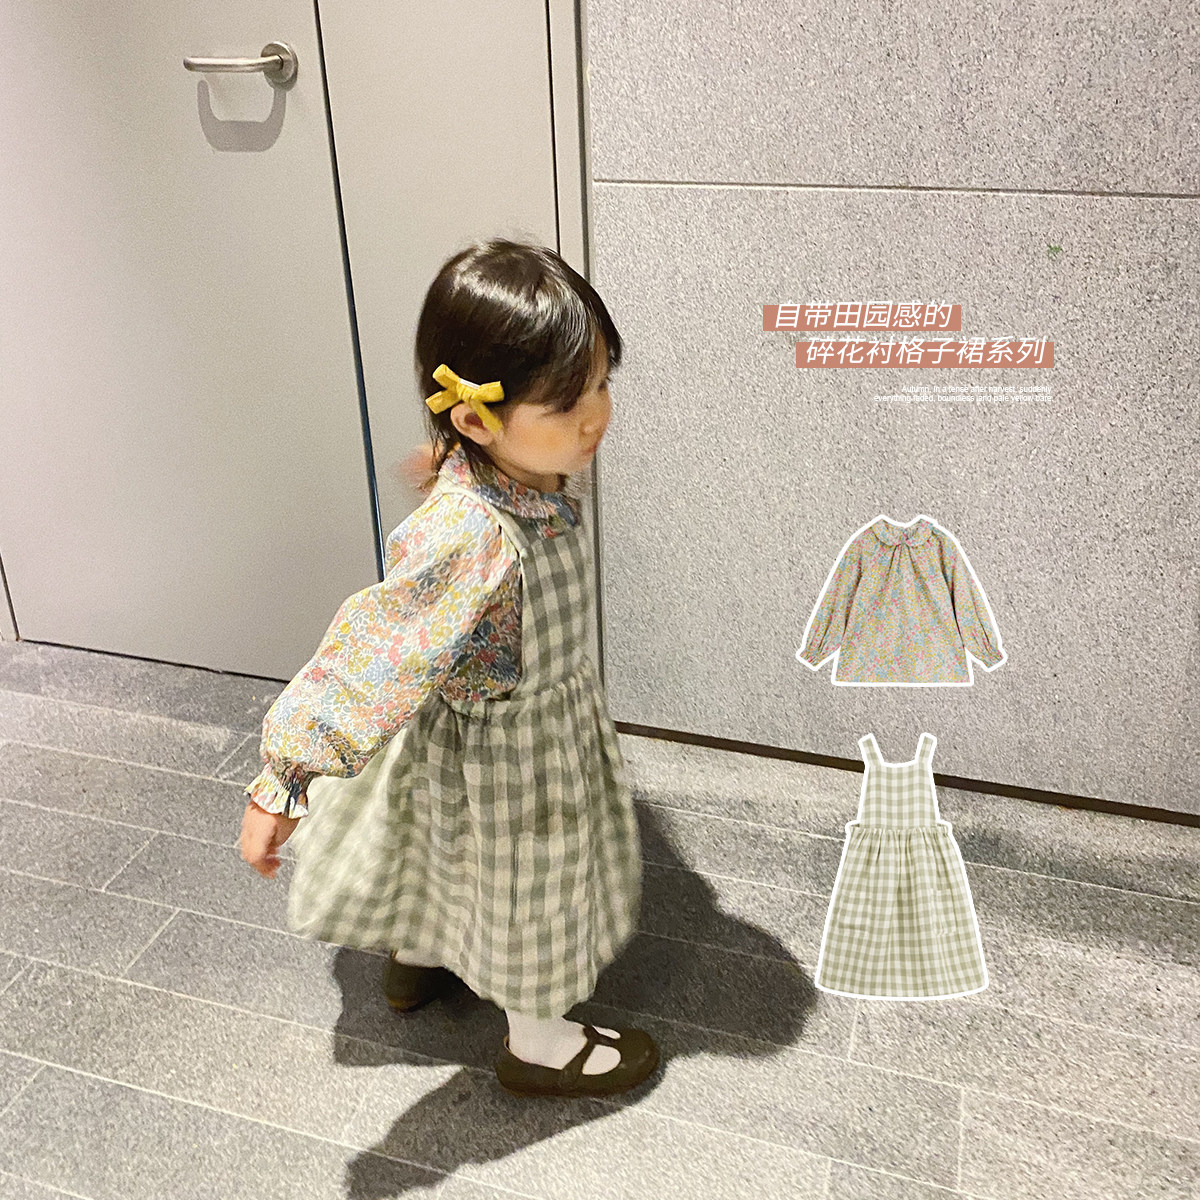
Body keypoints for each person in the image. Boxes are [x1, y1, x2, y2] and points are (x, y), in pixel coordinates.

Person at [239, 238, 659, 1099]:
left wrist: (446, 466)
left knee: (440, 848)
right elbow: (374, 649)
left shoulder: (504, 469)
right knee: (532, 893)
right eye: (567, 402)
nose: (595, 418)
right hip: (518, 766)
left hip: (467, 744)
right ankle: (540, 1043)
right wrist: (284, 777)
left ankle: (420, 957)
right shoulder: (472, 534)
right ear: (473, 419)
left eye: (601, 385)